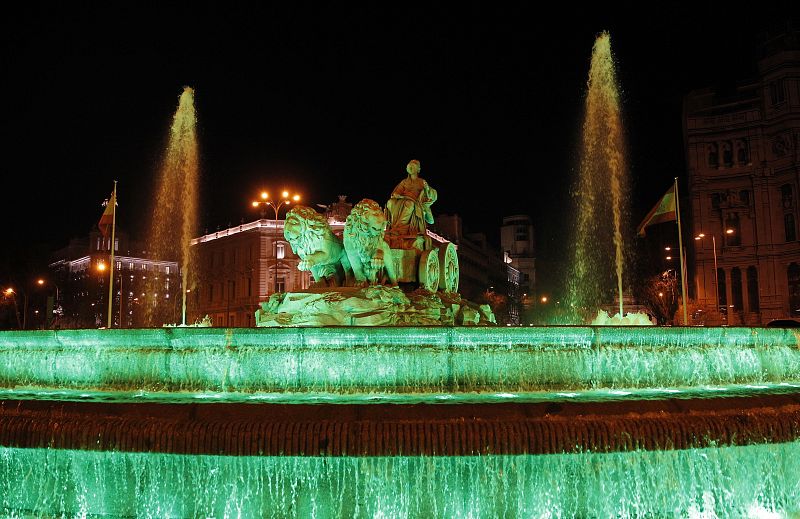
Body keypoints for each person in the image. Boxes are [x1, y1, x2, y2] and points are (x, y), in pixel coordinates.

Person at [385, 159, 437, 249]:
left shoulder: (421, 181)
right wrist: (397, 195)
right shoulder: (404, 182)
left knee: (409, 204)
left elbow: (429, 193)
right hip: (403, 200)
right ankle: (393, 226)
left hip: (415, 202)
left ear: (418, 169)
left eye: (413, 166)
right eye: (409, 166)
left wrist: (427, 189)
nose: (411, 168)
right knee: (390, 202)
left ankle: (399, 228)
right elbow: (396, 192)